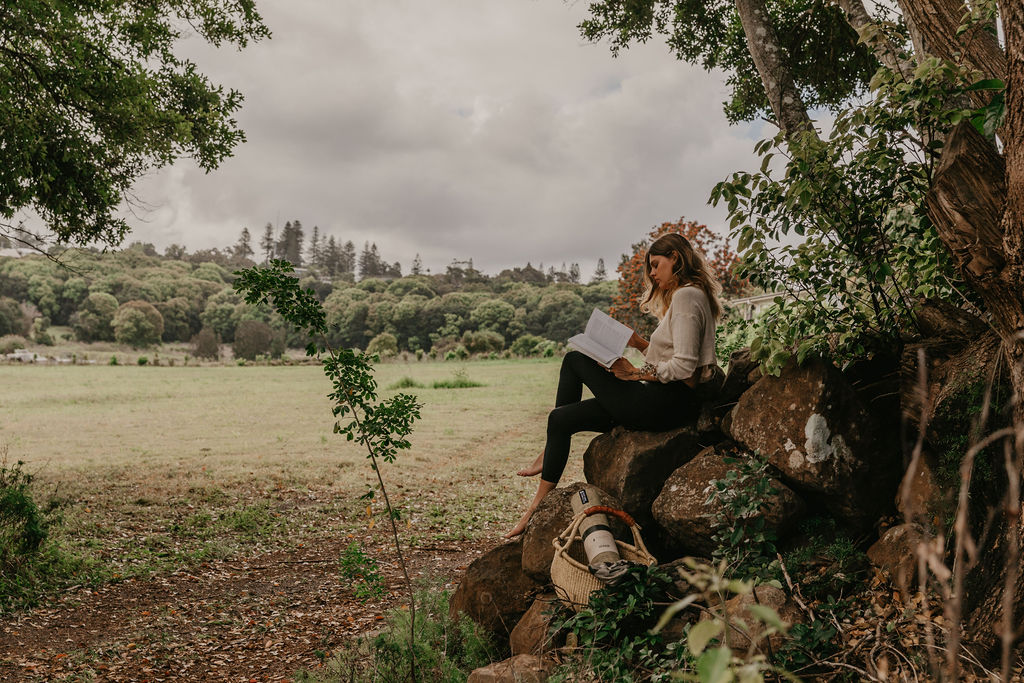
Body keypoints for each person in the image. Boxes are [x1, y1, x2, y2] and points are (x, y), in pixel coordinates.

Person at [504, 233, 723, 539]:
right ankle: (537, 496)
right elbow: (674, 357)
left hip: (665, 403)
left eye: (656, 265)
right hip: (663, 401)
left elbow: (685, 369)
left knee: (574, 360)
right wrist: (639, 343)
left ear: (676, 257)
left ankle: (534, 504)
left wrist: (634, 374)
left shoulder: (687, 296)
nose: (652, 273)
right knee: (560, 420)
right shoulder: (691, 295)